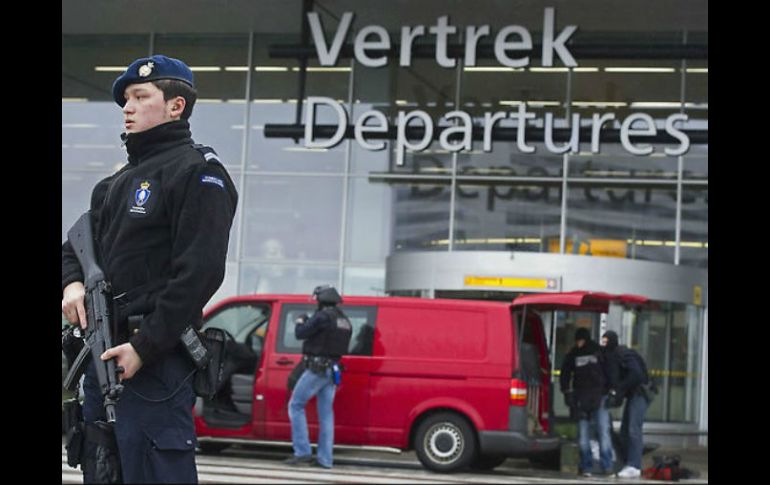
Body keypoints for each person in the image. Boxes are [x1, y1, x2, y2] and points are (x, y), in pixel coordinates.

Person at [61, 54, 238, 483]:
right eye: (126, 98)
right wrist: (72, 287)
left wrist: (143, 348)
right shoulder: (115, 184)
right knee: (102, 471)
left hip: (155, 363)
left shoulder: (198, 172)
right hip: (102, 357)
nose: (128, 106)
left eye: (141, 96)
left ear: (176, 106)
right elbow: (73, 249)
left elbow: (199, 274)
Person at [285, 285, 352, 469]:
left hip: (317, 369)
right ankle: (325, 459)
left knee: (296, 405)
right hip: (333, 370)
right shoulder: (344, 320)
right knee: (326, 415)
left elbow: (300, 333)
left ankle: (302, 452)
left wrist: (300, 320)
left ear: (321, 300)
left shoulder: (323, 317)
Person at [560, 327, 614, 477]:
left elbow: (565, 374)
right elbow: (610, 372)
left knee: (585, 435)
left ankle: (588, 467)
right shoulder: (598, 351)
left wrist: (567, 392)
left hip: (583, 398)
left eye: (579, 340)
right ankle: (605, 466)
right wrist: (612, 390)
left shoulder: (574, 354)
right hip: (597, 397)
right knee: (602, 432)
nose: (578, 343)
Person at [601, 330, 651, 479]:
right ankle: (627, 462)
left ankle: (634, 465)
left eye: (606, 342)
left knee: (633, 429)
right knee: (625, 431)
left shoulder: (622, 354)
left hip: (640, 393)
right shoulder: (613, 356)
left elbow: (636, 375)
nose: (604, 345)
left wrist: (620, 389)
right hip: (634, 394)